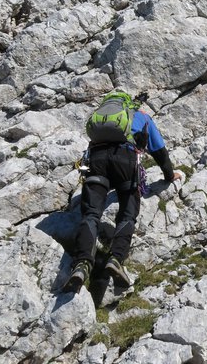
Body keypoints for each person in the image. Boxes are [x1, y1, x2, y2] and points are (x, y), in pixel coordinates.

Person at [63, 91, 180, 292]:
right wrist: (169, 175)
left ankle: (82, 264)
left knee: (91, 214)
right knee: (127, 212)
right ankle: (115, 259)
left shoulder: (102, 117)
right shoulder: (141, 116)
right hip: (126, 161)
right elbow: (159, 151)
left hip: (97, 160)